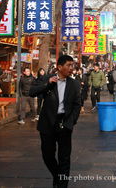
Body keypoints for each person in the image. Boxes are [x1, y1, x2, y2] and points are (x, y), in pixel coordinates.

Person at [29, 55, 81, 188]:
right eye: (69, 65)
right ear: (59, 67)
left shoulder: (74, 83)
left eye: (72, 65)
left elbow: (77, 105)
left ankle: (62, 184)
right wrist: (48, 85)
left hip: (65, 123)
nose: (71, 68)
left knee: (64, 158)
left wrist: (71, 122)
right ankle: (57, 176)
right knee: (47, 155)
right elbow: (32, 92)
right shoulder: (47, 79)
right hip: (47, 123)